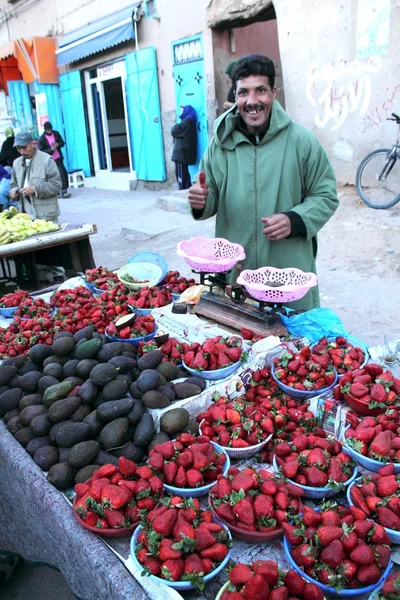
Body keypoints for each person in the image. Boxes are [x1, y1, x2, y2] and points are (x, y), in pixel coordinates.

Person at [188, 54, 339, 311]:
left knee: (292, 345)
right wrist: (201, 199)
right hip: (236, 272)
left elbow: (326, 196)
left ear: (273, 92)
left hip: (287, 272)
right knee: (238, 341)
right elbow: (208, 195)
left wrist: (295, 219)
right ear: (235, 96)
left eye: (261, 91)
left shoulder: (302, 141)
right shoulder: (220, 145)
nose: (252, 101)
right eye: (243, 92)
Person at [10, 131, 62, 222]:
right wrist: (14, 191)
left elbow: (56, 185)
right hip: (25, 216)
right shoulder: (16, 163)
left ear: (32, 143)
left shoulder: (47, 160)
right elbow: (13, 184)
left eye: (24, 147)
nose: (22, 152)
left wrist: (35, 189)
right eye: (18, 149)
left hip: (46, 216)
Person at [38, 121, 71, 198]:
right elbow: (42, 151)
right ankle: (57, 192)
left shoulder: (56, 133)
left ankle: (64, 191)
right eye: (48, 130)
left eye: (50, 130)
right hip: (50, 160)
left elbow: (62, 142)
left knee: (62, 173)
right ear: (45, 130)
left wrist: (58, 144)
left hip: (58, 157)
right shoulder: (42, 139)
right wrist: (51, 150)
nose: (49, 132)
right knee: (53, 176)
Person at [171, 105, 197, 190]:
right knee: (185, 174)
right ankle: (188, 190)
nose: (181, 112)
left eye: (183, 110)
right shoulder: (190, 120)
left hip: (180, 154)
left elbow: (174, 131)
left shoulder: (187, 120)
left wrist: (176, 125)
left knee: (181, 175)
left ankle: (182, 191)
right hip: (183, 153)